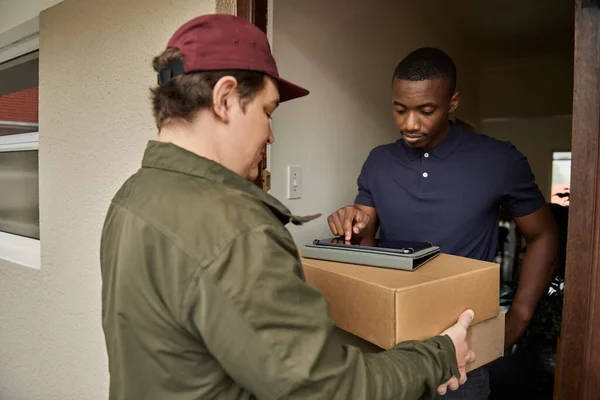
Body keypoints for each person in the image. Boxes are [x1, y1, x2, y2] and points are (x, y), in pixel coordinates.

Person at [100, 15, 476, 400]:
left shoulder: (130, 197)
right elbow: (326, 389)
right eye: (268, 111)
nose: (271, 134)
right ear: (225, 98)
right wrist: (439, 356)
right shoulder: (236, 228)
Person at [327, 47, 559, 400]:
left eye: (426, 110)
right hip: (389, 349)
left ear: (452, 103)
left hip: (462, 354)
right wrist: (352, 222)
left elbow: (543, 234)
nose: (409, 124)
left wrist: (519, 316)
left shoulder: (498, 159)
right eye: (400, 109)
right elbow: (364, 240)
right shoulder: (379, 161)